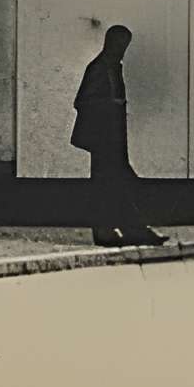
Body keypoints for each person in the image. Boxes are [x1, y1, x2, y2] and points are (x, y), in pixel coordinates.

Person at [71, 25, 167, 247]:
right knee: (111, 185)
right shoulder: (97, 68)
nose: (123, 50)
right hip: (103, 140)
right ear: (111, 43)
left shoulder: (113, 68)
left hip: (114, 139)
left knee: (119, 185)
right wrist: (110, 105)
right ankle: (116, 231)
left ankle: (128, 230)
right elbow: (82, 101)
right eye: (121, 45)